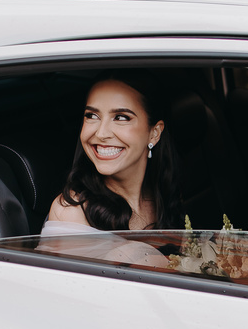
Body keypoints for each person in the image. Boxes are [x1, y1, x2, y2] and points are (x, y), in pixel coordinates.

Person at [41, 72, 182, 266]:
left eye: (121, 117)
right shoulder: (71, 212)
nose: (101, 133)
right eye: (92, 116)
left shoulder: (162, 192)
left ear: (154, 133)